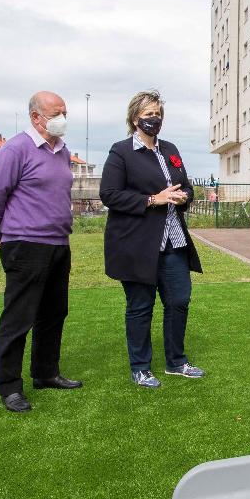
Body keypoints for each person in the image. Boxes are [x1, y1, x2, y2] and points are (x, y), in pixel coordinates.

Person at [0, 91, 83, 413]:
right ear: (36, 117)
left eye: (65, 112)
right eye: (56, 112)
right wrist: (4, 235)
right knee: (18, 319)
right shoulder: (15, 149)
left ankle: (45, 372)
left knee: (54, 313)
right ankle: (9, 387)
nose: (62, 118)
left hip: (58, 244)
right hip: (24, 246)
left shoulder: (62, 152)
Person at [99, 90, 205, 387]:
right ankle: (141, 367)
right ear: (135, 119)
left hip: (174, 241)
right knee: (140, 307)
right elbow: (109, 194)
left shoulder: (170, 148)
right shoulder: (121, 152)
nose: (155, 119)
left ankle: (176, 361)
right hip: (137, 245)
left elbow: (185, 185)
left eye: (158, 114)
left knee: (179, 300)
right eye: (149, 114)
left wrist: (183, 196)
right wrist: (152, 200)